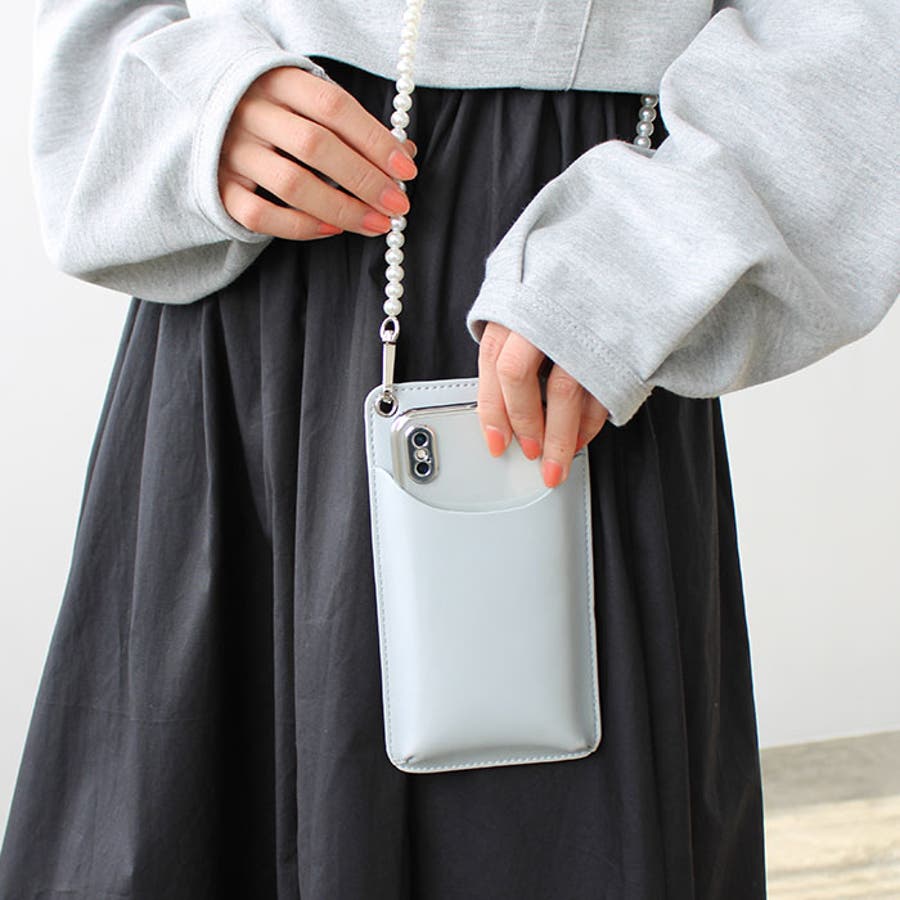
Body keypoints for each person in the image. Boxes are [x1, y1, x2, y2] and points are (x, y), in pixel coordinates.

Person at [1, 0, 897, 897]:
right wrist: (188, 97)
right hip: (259, 247)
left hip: (563, 280)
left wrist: (643, 255)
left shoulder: (601, 274)